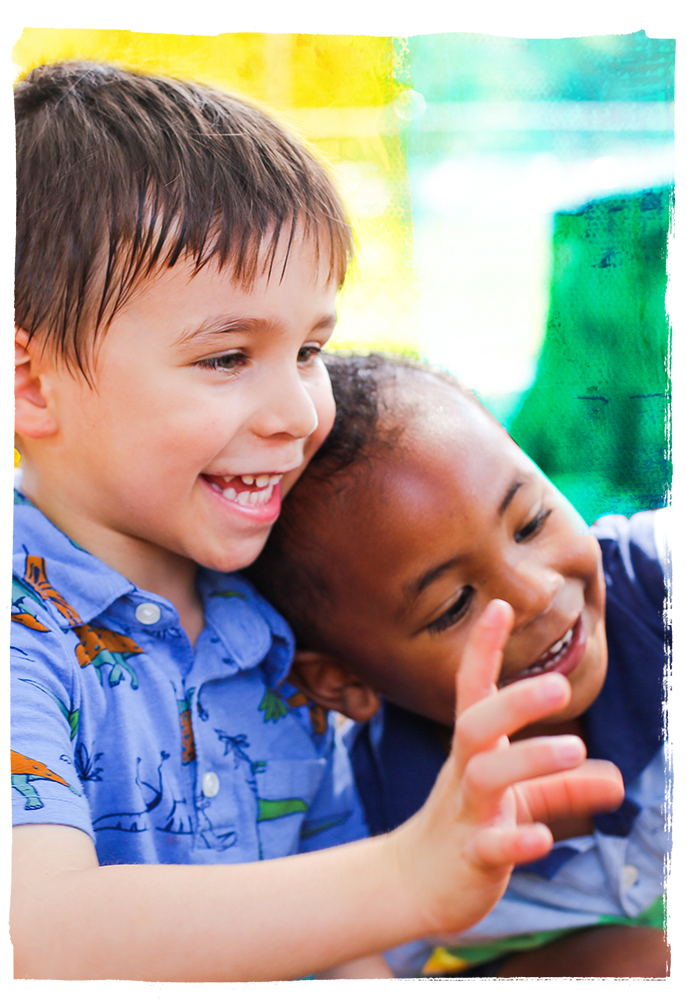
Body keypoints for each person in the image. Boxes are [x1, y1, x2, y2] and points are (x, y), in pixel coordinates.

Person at [10, 62, 624, 982]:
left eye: (308, 350)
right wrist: (409, 875)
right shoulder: (26, 626)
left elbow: (342, 953)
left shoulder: (268, 625)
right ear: (32, 385)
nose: (299, 410)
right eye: (226, 357)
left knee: (626, 956)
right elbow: (35, 934)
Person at [248, 352, 671, 978]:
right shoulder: (382, 828)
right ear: (343, 682)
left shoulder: (660, 587)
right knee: (639, 965)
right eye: (453, 607)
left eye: (530, 522)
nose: (534, 594)